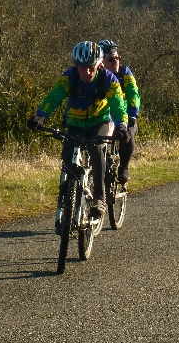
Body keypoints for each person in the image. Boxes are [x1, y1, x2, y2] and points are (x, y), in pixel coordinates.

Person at [27, 41, 129, 222]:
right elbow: (54, 97)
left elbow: (118, 105)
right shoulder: (69, 78)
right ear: (76, 66)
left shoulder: (108, 79)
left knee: (97, 151)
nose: (87, 72)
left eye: (91, 67)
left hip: (99, 121)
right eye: (83, 68)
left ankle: (99, 199)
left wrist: (121, 124)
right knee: (68, 158)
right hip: (75, 122)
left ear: (98, 64)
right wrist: (40, 116)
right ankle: (67, 193)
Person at [98, 39, 140, 185]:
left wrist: (133, 115)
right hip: (105, 116)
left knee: (128, 138)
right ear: (101, 61)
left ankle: (123, 167)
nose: (115, 61)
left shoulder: (125, 72)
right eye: (111, 59)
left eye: (117, 58)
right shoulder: (97, 75)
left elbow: (133, 94)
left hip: (125, 115)